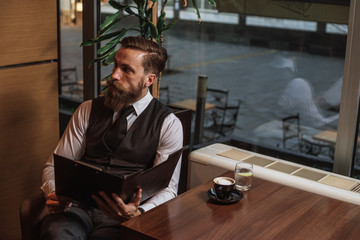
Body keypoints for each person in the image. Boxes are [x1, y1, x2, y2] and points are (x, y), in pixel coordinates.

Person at [40, 36, 183, 239]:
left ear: (148, 80)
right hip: (76, 207)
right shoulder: (87, 109)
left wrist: (139, 212)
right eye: (116, 65)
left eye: (126, 69)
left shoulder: (168, 124)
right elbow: (53, 166)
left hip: (123, 216)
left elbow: (168, 189)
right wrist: (53, 193)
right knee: (56, 235)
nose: (114, 75)